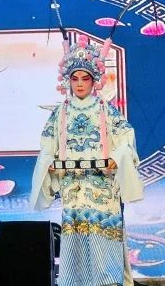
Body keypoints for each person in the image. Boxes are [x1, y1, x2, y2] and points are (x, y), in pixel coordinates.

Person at [31, 36, 143, 286]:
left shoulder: (106, 110)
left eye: (85, 78)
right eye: (75, 79)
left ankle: (108, 282)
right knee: (75, 237)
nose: (80, 84)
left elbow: (126, 139)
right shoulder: (60, 112)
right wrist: (49, 161)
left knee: (104, 237)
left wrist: (117, 158)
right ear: (68, 81)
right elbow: (47, 144)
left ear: (94, 81)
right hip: (73, 187)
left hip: (102, 187)